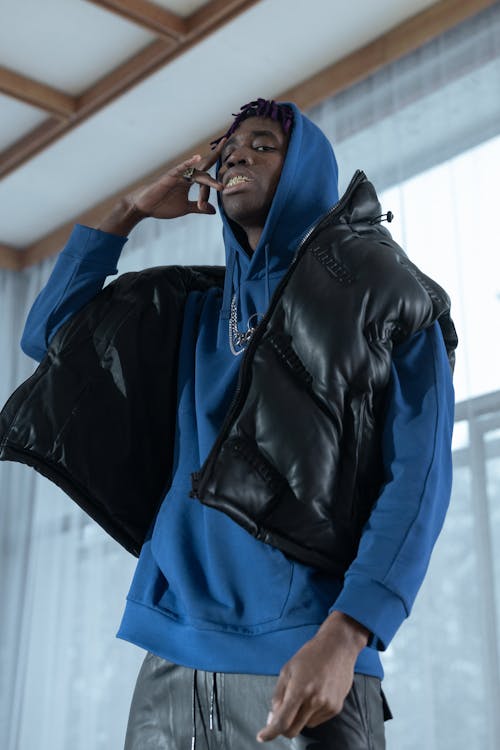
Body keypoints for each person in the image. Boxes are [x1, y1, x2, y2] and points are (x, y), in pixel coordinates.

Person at [1, 99, 457, 749]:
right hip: (169, 665)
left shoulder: (389, 297)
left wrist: (349, 632)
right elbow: (48, 335)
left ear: (305, 172)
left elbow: (422, 479)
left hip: (305, 657)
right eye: (229, 148)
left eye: (264, 145)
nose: (236, 154)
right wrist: (126, 213)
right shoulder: (188, 310)